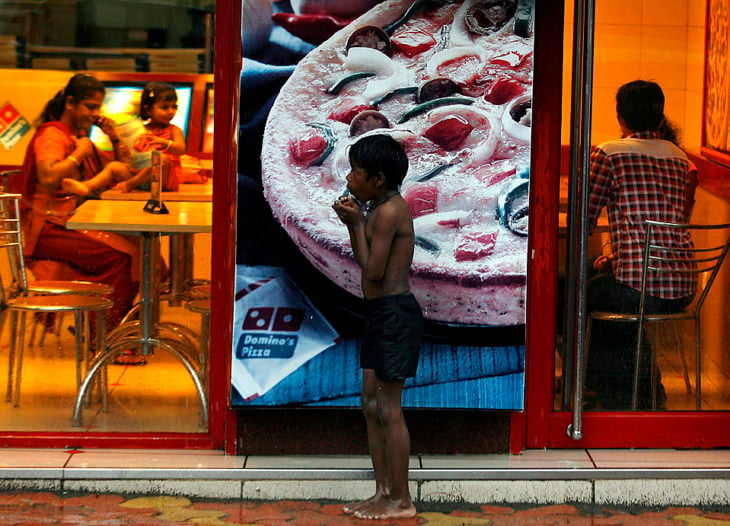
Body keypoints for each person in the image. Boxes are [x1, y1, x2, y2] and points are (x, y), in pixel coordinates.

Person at [585, 80, 697, 410]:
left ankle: (611, 390)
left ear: (620, 117)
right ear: (661, 118)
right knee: (611, 294)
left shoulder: (609, 152)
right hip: (684, 285)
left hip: (639, 286)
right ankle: (642, 387)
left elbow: (585, 217)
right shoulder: (680, 157)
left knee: (571, 288)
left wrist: (610, 252)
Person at [331, 134, 423, 520]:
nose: (349, 179)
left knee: (389, 408)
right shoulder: (380, 207)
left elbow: (372, 273)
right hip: (380, 314)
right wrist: (357, 221)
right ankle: (382, 491)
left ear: (379, 179)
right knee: (370, 405)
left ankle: (401, 500)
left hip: (394, 315)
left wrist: (354, 224)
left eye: (356, 172)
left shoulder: (388, 212)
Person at [9, 73, 140, 341]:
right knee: (120, 259)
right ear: (70, 102)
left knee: (138, 251)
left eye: (97, 108)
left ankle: (111, 331)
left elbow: (124, 170)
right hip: (47, 229)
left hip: (69, 222)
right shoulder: (53, 134)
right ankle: (102, 338)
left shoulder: (77, 135)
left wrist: (112, 135)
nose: (94, 114)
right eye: (89, 107)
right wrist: (79, 151)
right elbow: (48, 176)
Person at [62, 82, 186, 195]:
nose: (171, 111)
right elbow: (128, 160)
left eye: (174, 107)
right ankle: (87, 186)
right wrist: (127, 146)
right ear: (148, 110)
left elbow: (180, 149)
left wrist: (162, 142)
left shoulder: (173, 130)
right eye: (164, 107)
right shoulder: (141, 129)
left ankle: (131, 184)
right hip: (141, 176)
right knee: (114, 166)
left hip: (162, 180)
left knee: (160, 158)